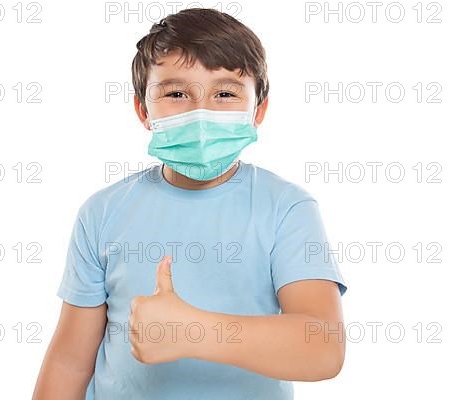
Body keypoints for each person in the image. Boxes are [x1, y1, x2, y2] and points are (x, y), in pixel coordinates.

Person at [33, 8, 348, 400]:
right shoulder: (102, 213)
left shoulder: (287, 209)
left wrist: (192, 331)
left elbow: (323, 348)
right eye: (176, 93)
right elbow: (69, 361)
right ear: (143, 111)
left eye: (225, 93)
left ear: (258, 111)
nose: (201, 113)